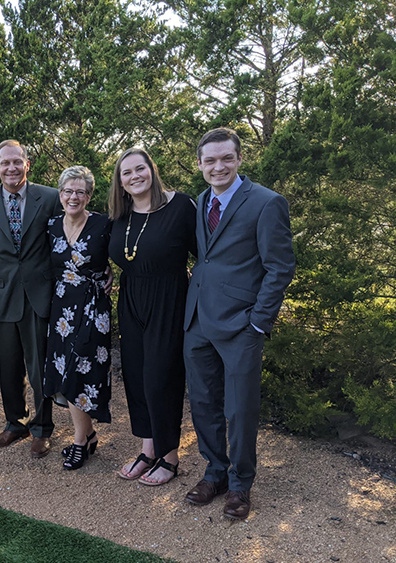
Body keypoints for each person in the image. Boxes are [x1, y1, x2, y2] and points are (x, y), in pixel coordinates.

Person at [183, 127, 295, 519]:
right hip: (197, 320)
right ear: (200, 165)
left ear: (239, 159)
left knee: (240, 409)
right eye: (210, 160)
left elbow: (279, 267)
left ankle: (240, 484)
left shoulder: (266, 203)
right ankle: (214, 472)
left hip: (242, 326)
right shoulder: (200, 201)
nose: (218, 166)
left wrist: (259, 323)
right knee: (202, 403)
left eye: (226, 158)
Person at [108, 148, 197, 486]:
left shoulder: (179, 206)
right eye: (126, 173)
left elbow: (204, 255)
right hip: (131, 299)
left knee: (162, 378)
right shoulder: (120, 213)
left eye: (139, 169)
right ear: (120, 181)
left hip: (169, 299)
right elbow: (109, 252)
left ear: (152, 170)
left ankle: (170, 456)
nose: (134, 176)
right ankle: (148, 449)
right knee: (136, 376)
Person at [0, 139, 61, 458]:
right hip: (0, 298)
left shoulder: (49, 197)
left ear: (26, 164)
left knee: (39, 369)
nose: (11, 168)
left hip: (39, 296)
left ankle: (41, 428)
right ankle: (14, 423)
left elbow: (66, 241)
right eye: (5, 163)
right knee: (7, 366)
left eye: (16, 162)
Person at [42, 166, 112, 470]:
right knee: (64, 373)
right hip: (61, 311)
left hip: (93, 308)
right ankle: (88, 435)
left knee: (80, 372)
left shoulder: (103, 224)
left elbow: (123, 254)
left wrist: (111, 273)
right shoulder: (51, 225)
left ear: (89, 196)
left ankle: (80, 442)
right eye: (68, 191)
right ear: (60, 194)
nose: (74, 197)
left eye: (80, 192)